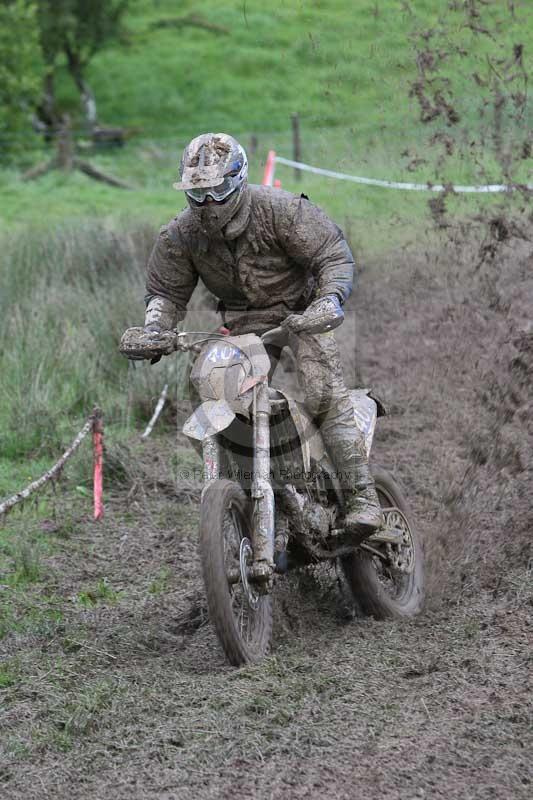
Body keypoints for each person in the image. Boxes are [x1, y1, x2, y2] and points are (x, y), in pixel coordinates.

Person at [122, 132, 382, 535]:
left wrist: (329, 300)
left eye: (219, 189)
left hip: (302, 313)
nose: (209, 204)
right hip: (244, 323)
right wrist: (156, 329)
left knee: (322, 390)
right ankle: (259, 489)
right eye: (198, 192)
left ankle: (361, 497)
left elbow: (332, 253)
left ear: (239, 179)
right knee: (216, 396)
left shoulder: (282, 210)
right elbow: (165, 292)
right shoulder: (180, 235)